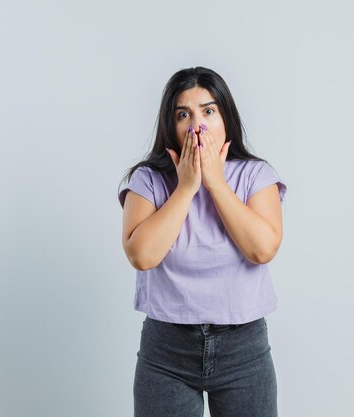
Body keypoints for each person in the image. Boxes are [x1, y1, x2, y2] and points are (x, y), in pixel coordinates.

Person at [117, 66, 287, 417]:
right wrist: (187, 187)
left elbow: (262, 249)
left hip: (244, 350)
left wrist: (216, 183)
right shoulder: (147, 180)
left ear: (226, 119)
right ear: (171, 124)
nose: (197, 124)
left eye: (208, 111)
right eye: (184, 114)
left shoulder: (255, 175)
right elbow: (142, 256)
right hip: (166, 352)